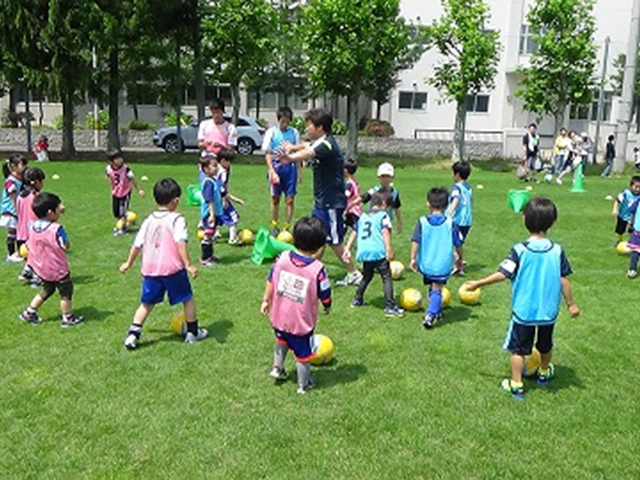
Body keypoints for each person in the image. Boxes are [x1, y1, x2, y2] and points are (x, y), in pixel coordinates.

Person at [463, 197, 580, 399]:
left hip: (524, 311)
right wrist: (572, 304)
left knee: (518, 350)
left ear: (524, 219)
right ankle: (544, 373)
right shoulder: (557, 250)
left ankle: (516, 384)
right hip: (547, 311)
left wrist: (478, 283)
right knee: (545, 344)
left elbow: (503, 274)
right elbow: (563, 281)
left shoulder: (520, 250)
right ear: (552, 222)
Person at [278, 108, 362, 286]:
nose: (307, 128)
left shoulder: (327, 144)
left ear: (320, 127)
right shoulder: (320, 142)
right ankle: (309, 269)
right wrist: (293, 147)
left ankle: (354, 273)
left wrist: (290, 157)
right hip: (322, 201)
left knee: (334, 241)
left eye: (309, 124)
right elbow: (307, 146)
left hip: (331, 202)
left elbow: (309, 153)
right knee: (316, 235)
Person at [120, 178, 207, 349]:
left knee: (146, 303)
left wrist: (128, 263)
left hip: (151, 270)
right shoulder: (177, 219)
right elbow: (181, 242)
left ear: (155, 199)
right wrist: (188, 264)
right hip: (172, 269)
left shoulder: (148, 220)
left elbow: (137, 243)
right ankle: (193, 333)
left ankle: (132, 335)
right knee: (187, 299)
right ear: (175, 200)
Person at [260, 216, 331, 394]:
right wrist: (327, 305)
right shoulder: (317, 269)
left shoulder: (282, 258)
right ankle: (303, 385)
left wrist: (266, 300)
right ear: (319, 246)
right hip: (301, 322)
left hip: (279, 316)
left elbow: (271, 279)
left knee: (281, 340)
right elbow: (325, 292)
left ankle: (277, 367)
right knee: (303, 355)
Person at [19, 192, 85, 326]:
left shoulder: (31, 226)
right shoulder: (56, 229)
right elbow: (65, 245)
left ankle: (29, 312)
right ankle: (68, 317)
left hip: (41, 268)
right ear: (50, 212)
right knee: (65, 292)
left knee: (47, 290)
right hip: (57, 268)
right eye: (57, 209)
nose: (59, 212)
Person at [410, 187, 463, 329]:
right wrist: (459, 259)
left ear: (428, 204)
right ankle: (431, 315)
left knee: (434, 285)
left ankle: (435, 310)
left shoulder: (422, 222)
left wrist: (413, 258)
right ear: (446, 205)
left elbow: (415, 241)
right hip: (442, 263)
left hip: (426, 262)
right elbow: (458, 244)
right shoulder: (450, 223)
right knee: (437, 288)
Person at [347, 189, 404, 317]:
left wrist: (347, 248)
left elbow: (354, 232)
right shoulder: (384, 216)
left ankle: (357, 299)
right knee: (386, 277)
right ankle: (390, 306)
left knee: (367, 276)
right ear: (384, 204)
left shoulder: (363, 216)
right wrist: (389, 249)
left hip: (365, 252)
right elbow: (385, 233)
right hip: (378, 252)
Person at [262, 106, 301, 235]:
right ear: (278, 120)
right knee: (275, 198)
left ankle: (287, 227)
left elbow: (297, 153)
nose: (285, 124)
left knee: (290, 199)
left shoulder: (294, 132)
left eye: (287, 121)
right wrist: (272, 171)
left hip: (290, 169)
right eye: (283, 121)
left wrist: (299, 172)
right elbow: (267, 153)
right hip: (276, 167)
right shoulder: (271, 132)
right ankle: (275, 225)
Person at [16, 167, 46, 285]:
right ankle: (37, 276)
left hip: (21, 231)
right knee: (39, 254)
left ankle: (26, 272)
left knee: (28, 254)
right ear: (37, 182)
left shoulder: (20, 196)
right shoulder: (36, 196)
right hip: (33, 230)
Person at [105, 149, 144, 236]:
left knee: (122, 211)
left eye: (120, 158)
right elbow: (110, 177)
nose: (120, 160)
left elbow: (133, 180)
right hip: (115, 193)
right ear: (111, 161)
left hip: (125, 193)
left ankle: (123, 229)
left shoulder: (126, 169)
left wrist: (139, 189)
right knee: (116, 213)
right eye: (117, 159)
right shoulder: (108, 169)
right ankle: (125, 221)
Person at [359, 162, 403, 234]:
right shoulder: (374, 191)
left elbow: (397, 209)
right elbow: (362, 199)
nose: (385, 179)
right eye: (383, 176)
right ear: (378, 177)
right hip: (374, 221)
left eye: (388, 176)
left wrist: (399, 223)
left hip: (386, 222)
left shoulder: (394, 193)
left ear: (392, 177)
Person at [447, 161, 473, 275]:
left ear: (457, 174)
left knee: (453, 242)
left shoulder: (456, 187)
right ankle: (457, 262)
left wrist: (449, 214)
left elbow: (456, 199)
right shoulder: (468, 187)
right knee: (458, 242)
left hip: (457, 220)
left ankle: (458, 264)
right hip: (467, 220)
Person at [1, 154, 28, 263]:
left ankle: (19, 253)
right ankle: (11, 254)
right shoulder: (10, 180)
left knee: (18, 231)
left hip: (17, 208)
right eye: (22, 164)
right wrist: (17, 210)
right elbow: (13, 196)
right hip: (11, 209)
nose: (25, 167)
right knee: (12, 231)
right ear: (14, 166)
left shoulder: (20, 178)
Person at [197, 98, 238, 168]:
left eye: (218, 112)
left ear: (222, 111)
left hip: (223, 160)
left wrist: (221, 146)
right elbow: (199, 143)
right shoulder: (204, 124)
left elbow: (232, 148)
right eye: (213, 113)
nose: (216, 115)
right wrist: (206, 144)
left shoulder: (231, 128)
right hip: (207, 159)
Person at [216, 148, 245, 245]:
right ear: (223, 160)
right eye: (229, 162)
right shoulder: (223, 171)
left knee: (218, 217)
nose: (230, 164)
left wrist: (234, 199)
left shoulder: (215, 169)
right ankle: (232, 239)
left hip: (215, 199)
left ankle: (213, 234)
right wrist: (225, 200)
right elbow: (221, 187)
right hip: (220, 199)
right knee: (233, 216)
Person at [199, 157, 223, 265]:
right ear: (206, 169)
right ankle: (205, 258)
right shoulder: (208, 182)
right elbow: (210, 200)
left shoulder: (214, 181)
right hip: (210, 214)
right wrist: (212, 214)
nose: (216, 168)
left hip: (215, 213)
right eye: (213, 166)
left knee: (211, 234)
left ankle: (210, 256)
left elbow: (221, 194)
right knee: (208, 234)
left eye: (216, 165)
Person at [342, 158, 362, 262]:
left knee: (356, 229)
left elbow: (346, 198)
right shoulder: (354, 181)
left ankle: (346, 247)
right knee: (345, 228)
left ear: (345, 170)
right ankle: (342, 245)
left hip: (352, 210)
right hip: (355, 210)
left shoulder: (349, 184)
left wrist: (345, 209)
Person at [612, 176, 640, 244]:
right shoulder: (626, 193)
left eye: (639, 187)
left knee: (633, 230)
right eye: (636, 187)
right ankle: (620, 240)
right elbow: (617, 200)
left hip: (634, 217)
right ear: (631, 186)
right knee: (620, 230)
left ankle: (632, 242)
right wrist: (615, 209)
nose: (638, 189)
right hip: (623, 215)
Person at [626, 198, 640, 278]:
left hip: (638, 230)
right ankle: (632, 269)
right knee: (636, 251)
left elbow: (631, 209)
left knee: (636, 250)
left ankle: (632, 270)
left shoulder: (638, 200)